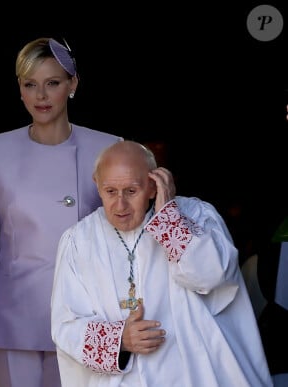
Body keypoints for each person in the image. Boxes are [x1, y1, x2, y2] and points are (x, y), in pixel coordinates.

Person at [0, 37, 122, 387]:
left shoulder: (108, 147)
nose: (41, 96)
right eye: (30, 85)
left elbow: (126, 244)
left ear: (73, 84)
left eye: (52, 83)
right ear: (19, 88)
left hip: (87, 317)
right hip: (13, 322)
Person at [50, 140, 272, 386]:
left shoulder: (197, 215)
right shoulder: (78, 240)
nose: (120, 205)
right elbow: (65, 324)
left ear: (154, 186)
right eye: (110, 191)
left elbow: (213, 277)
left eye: (131, 191)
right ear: (97, 185)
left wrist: (168, 217)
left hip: (192, 375)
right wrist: (120, 340)